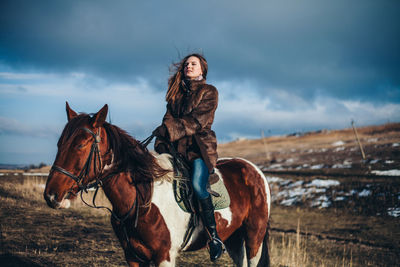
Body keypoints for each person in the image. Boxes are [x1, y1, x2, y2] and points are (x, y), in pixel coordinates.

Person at [152, 53, 223, 261]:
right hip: (175, 150)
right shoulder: (176, 94)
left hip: (198, 150)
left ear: (202, 70)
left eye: (193, 64)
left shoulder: (209, 92)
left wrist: (168, 129)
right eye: (186, 64)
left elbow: (196, 122)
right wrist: (161, 139)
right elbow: (168, 120)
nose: (188, 66)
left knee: (198, 185)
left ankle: (214, 237)